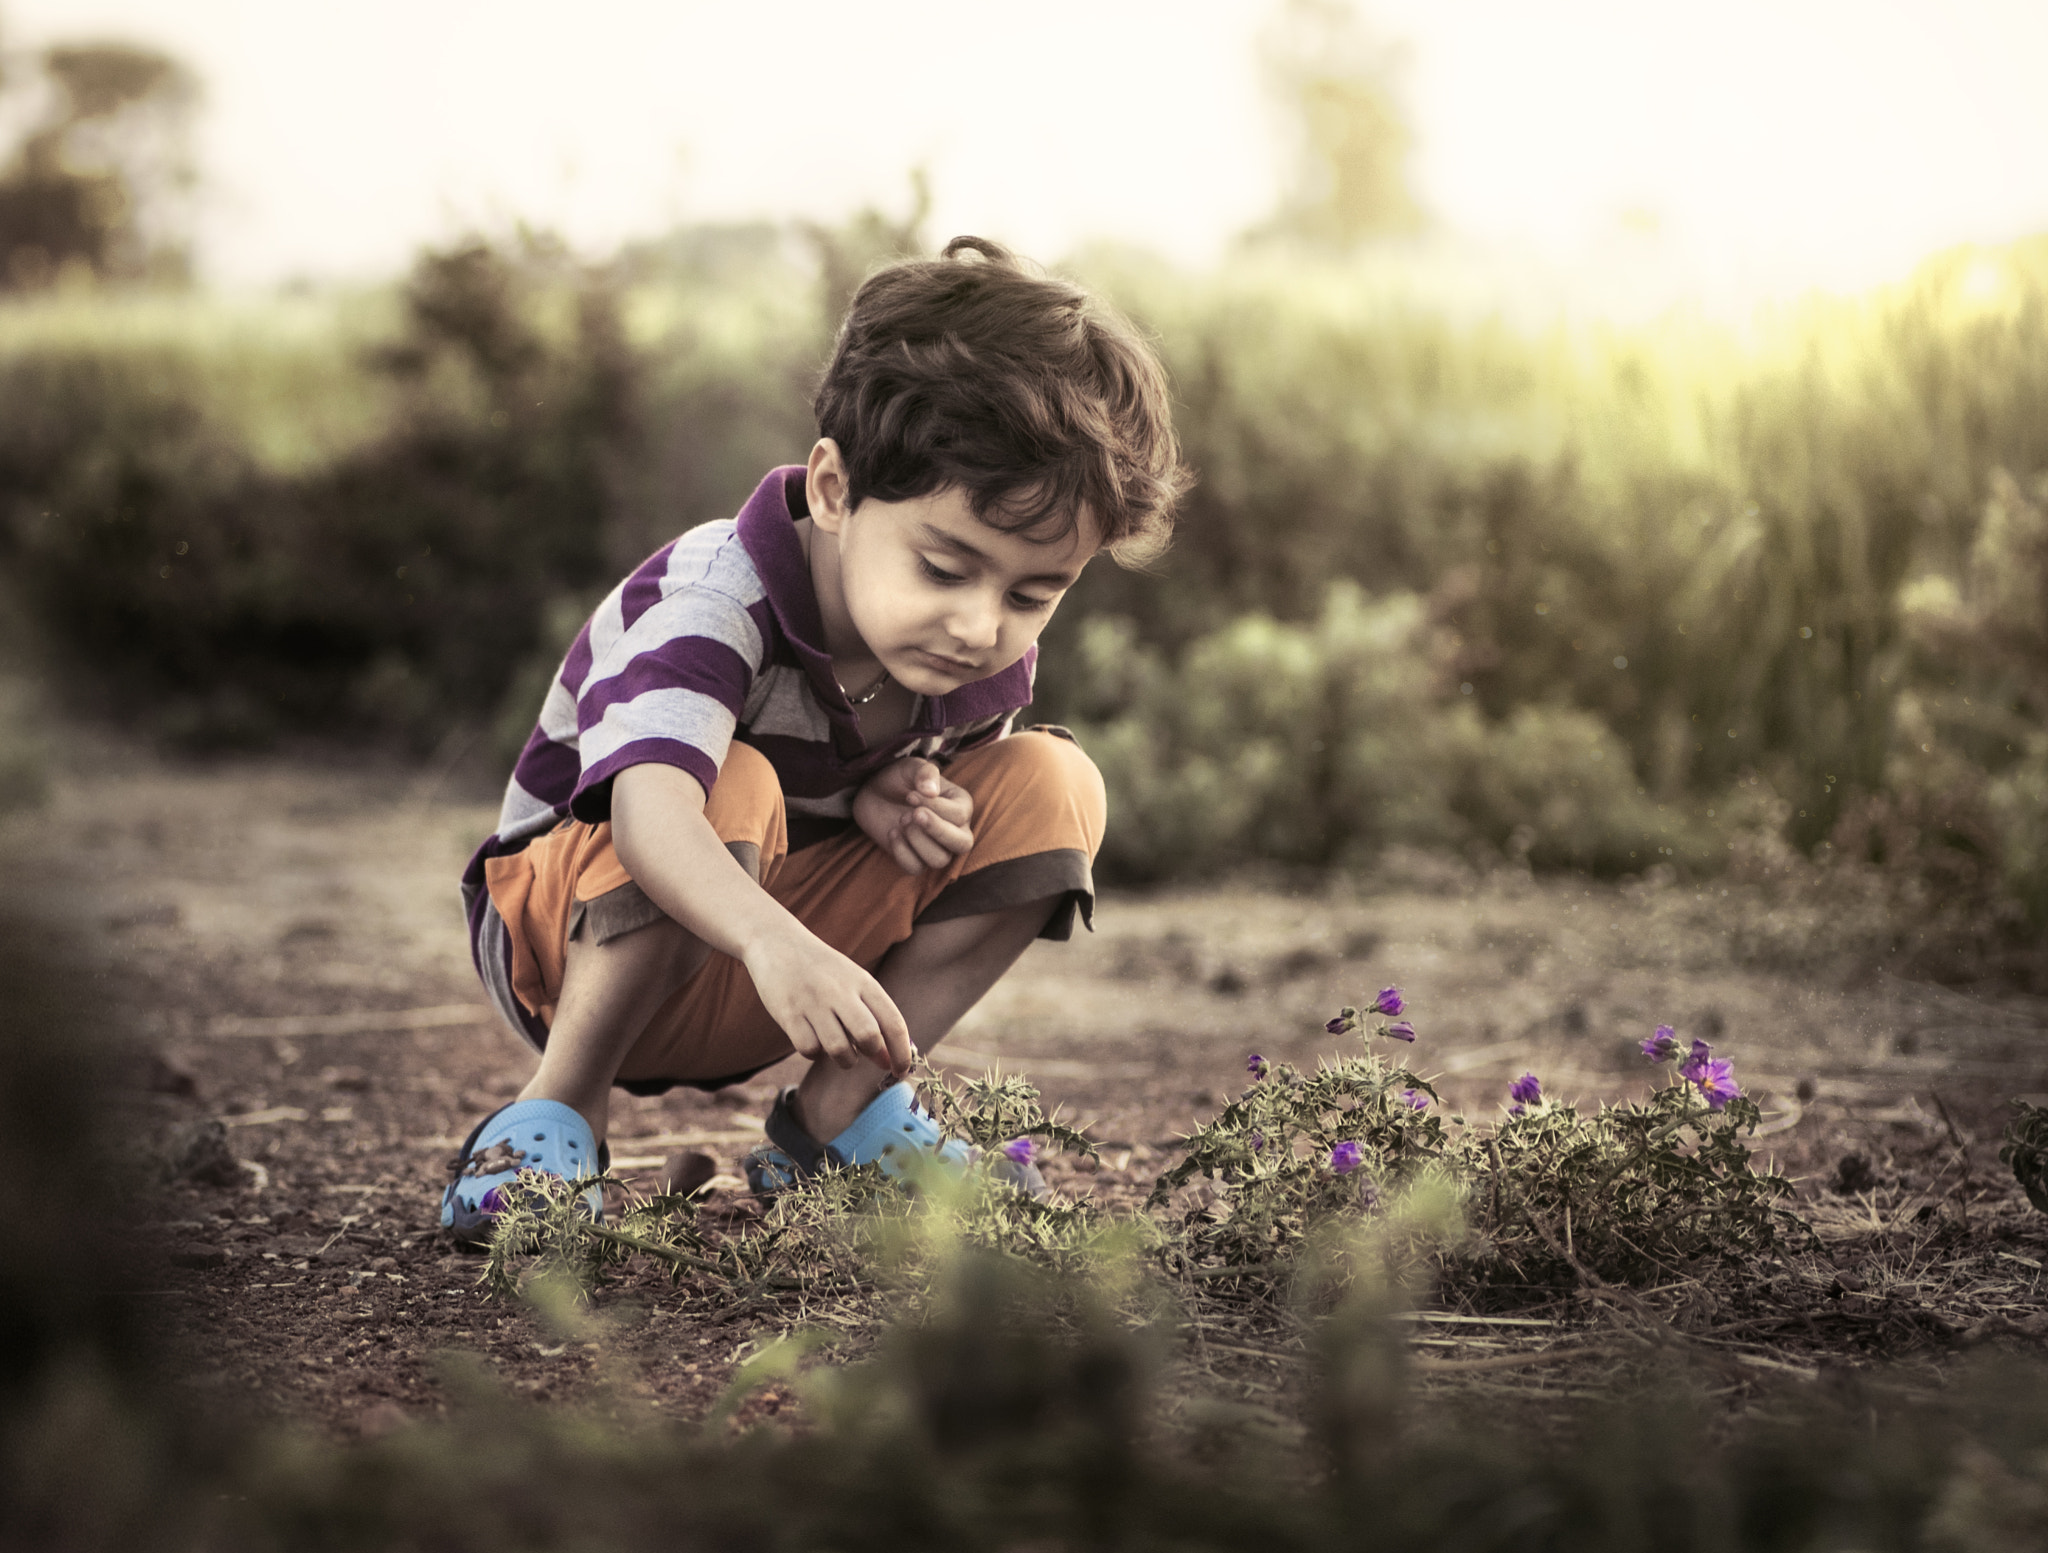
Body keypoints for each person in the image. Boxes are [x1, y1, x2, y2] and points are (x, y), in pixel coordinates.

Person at [440, 236, 1189, 1241]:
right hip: (566, 946)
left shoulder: (965, 660)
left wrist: (887, 790)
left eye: (1031, 591)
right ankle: (554, 1113)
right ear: (835, 490)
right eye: (943, 566)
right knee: (726, 778)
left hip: (773, 973)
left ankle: (843, 1110)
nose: (979, 623)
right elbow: (650, 807)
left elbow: (864, 780)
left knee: (1053, 782)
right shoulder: (713, 595)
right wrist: (768, 939)